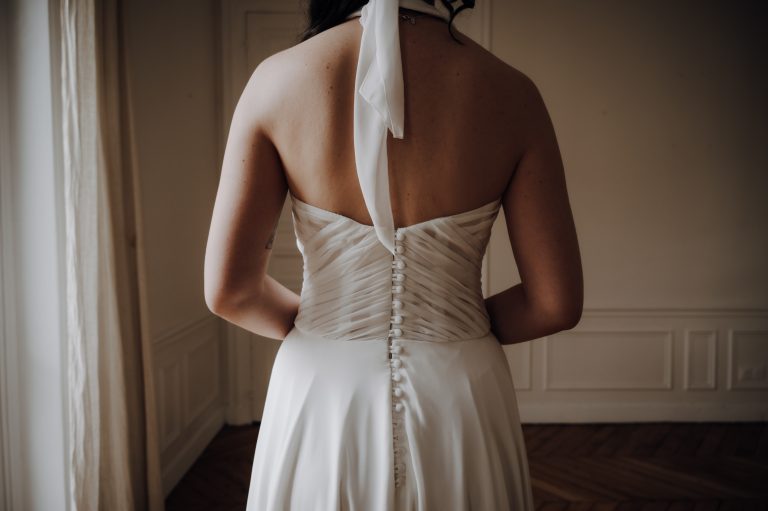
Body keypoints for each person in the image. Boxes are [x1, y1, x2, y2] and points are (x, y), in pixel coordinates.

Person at [203, 0, 583, 508]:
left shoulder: (275, 82)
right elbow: (554, 303)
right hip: (460, 389)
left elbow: (229, 291)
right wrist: (451, 323)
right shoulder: (512, 93)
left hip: (320, 387)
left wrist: (329, 322)